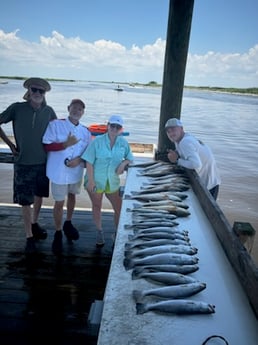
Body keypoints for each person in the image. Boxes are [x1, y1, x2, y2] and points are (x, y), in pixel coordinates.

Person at [0, 77, 57, 254]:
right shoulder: (17, 108)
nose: (38, 93)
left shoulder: (49, 111)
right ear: (29, 91)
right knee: (25, 201)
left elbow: (59, 131)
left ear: (45, 94)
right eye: (35, 90)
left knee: (39, 195)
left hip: (42, 162)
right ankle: (29, 236)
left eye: (42, 91)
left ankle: (34, 223)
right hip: (23, 162)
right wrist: (10, 145)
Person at [42, 99, 91, 255]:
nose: (77, 111)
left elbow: (88, 152)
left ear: (83, 113)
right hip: (58, 172)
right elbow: (46, 144)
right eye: (74, 108)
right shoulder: (56, 125)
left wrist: (79, 160)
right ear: (68, 108)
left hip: (76, 172)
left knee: (72, 197)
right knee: (58, 202)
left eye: (80, 109)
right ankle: (57, 232)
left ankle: (68, 223)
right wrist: (64, 145)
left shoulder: (86, 131)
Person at [81, 115, 134, 247]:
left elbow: (130, 157)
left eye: (118, 127)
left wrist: (123, 164)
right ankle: (99, 231)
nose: (115, 128)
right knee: (97, 206)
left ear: (121, 129)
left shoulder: (123, 143)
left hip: (112, 181)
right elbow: (89, 161)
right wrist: (91, 181)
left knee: (119, 207)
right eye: (112, 125)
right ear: (108, 126)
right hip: (95, 180)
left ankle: (117, 232)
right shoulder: (97, 141)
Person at [165, 118, 221, 200]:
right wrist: (176, 153)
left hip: (209, 185)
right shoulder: (182, 139)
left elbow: (196, 165)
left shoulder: (185, 142)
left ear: (181, 128)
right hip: (212, 181)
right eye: (168, 131)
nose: (171, 133)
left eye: (173, 129)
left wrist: (177, 160)